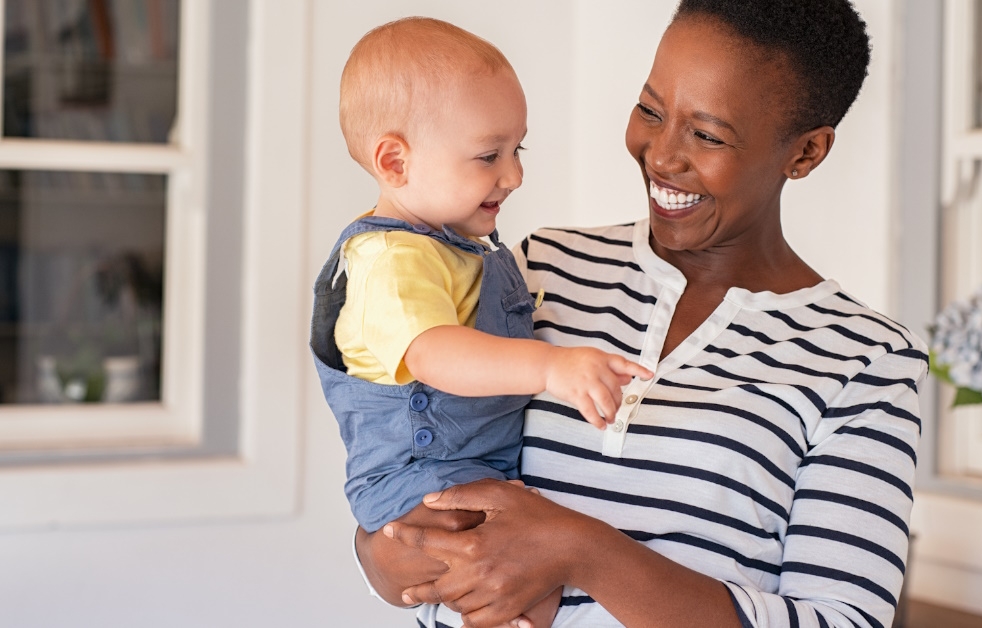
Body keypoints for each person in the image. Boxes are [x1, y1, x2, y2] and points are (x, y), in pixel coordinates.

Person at [355, 1, 929, 627]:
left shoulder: (864, 360)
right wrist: (377, 552)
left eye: (707, 135)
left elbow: (847, 621)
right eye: (651, 111)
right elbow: (410, 440)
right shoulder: (535, 268)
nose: (661, 155)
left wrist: (584, 550)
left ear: (807, 152)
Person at [310, 17, 653, 628]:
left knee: (524, 583)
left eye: (518, 150)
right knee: (517, 585)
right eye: (488, 156)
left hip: (470, 466)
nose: (514, 175)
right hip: (423, 479)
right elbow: (439, 355)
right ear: (395, 162)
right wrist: (553, 367)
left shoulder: (455, 246)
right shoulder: (391, 260)